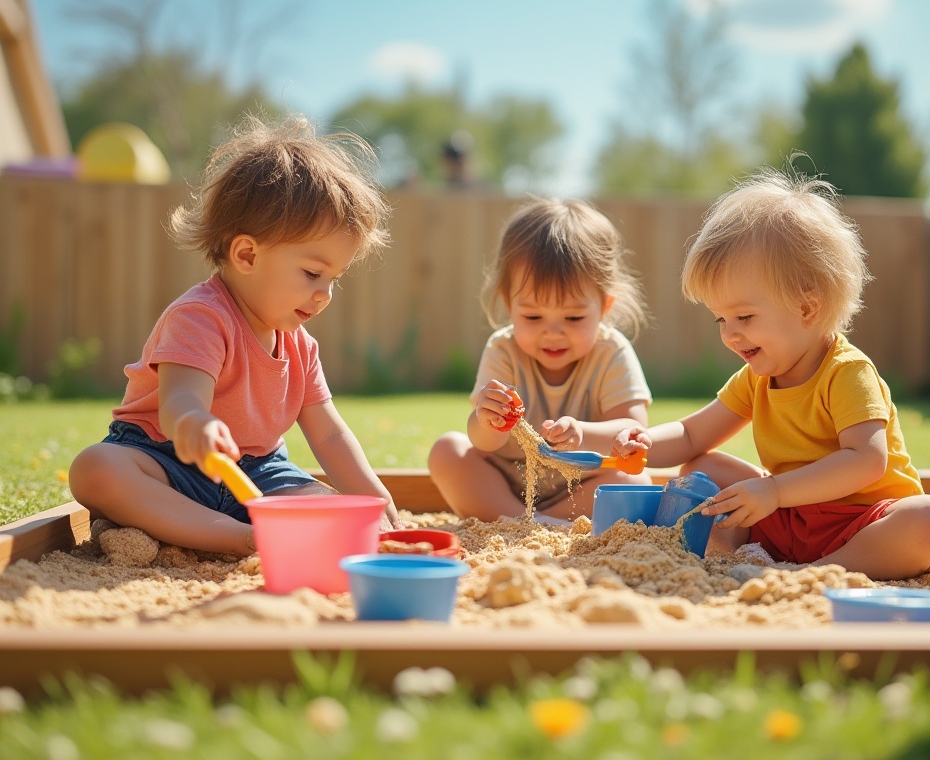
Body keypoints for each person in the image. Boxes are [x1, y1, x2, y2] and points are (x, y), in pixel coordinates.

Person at [69, 114, 401, 556]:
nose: (325, 294)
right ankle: (239, 537)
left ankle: (194, 528)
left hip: (259, 472)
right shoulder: (201, 316)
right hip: (167, 462)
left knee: (331, 510)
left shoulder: (300, 345)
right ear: (246, 253)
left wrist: (376, 499)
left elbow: (329, 435)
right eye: (312, 273)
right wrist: (195, 422)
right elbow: (180, 402)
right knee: (96, 469)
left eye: (334, 279)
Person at [614, 166, 930, 580]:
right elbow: (692, 436)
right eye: (720, 319)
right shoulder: (758, 377)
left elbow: (866, 460)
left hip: (862, 522)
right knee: (702, 469)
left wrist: (775, 490)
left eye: (743, 315)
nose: (730, 334)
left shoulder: (846, 373)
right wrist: (645, 442)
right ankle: (755, 555)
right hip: (787, 519)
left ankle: (820, 571)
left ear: (807, 309)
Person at [429, 196, 653, 522]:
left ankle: (547, 523)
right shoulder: (503, 349)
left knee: (635, 480)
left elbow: (633, 431)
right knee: (447, 451)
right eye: (533, 317)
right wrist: (488, 419)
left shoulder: (611, 352)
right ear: (508, 303)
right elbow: (484, 442)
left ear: (604, 306)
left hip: (582, 483)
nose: (553, 333)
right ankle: (527, 521)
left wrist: (583, 432)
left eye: (574, 318)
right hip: (507, 483)